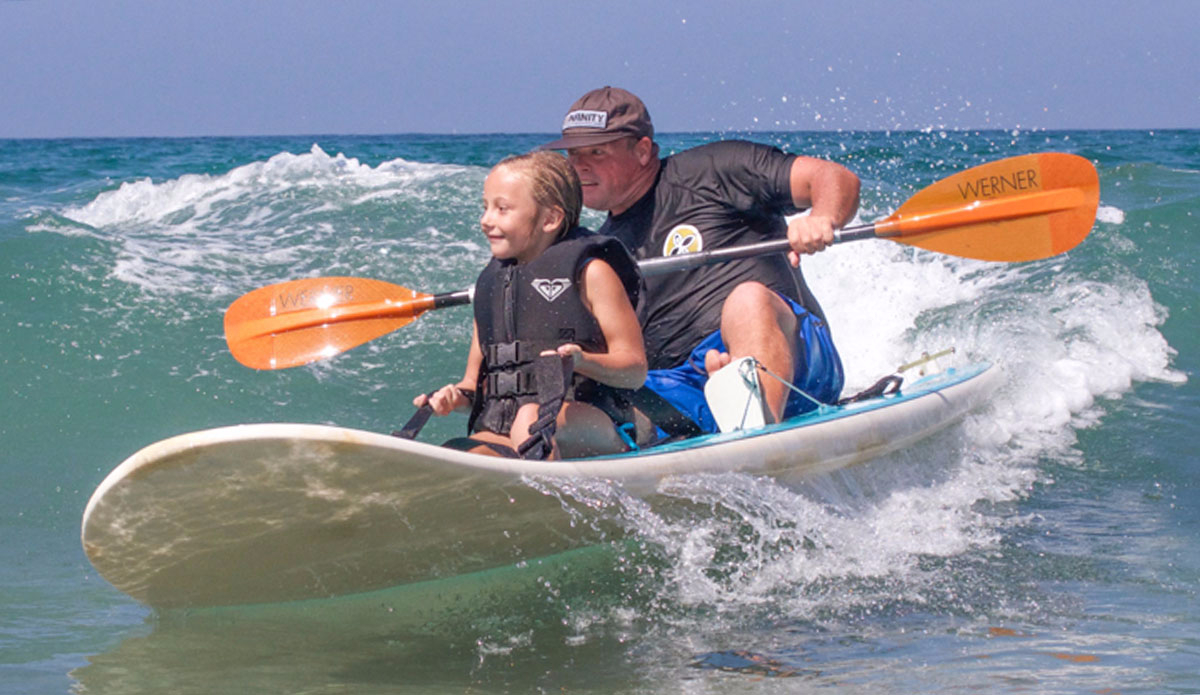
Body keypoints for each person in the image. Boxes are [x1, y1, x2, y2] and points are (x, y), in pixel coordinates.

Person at [542, 86, 861, 435]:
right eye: (573, 154)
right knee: (557, 416)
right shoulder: (600, 250)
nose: (580, 167)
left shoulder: (714, 171)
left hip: (798, 366)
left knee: (747, 299)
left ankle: (754, 434)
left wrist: (823, 218)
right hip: (684, 389)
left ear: (643, 150)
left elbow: (833, 178)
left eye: (597, 152)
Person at [414, 151, 649, 459]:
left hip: (594, 422)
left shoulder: (592, 274)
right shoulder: (491, 287)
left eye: (502, 209)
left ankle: (548, 498)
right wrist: (453, 398)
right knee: (458, 453)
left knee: (531, 423)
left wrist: (583, 361)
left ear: (550, 219)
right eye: (485, 208)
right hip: (511, 425)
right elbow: (473, 385)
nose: (486, 221)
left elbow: (635, 370)